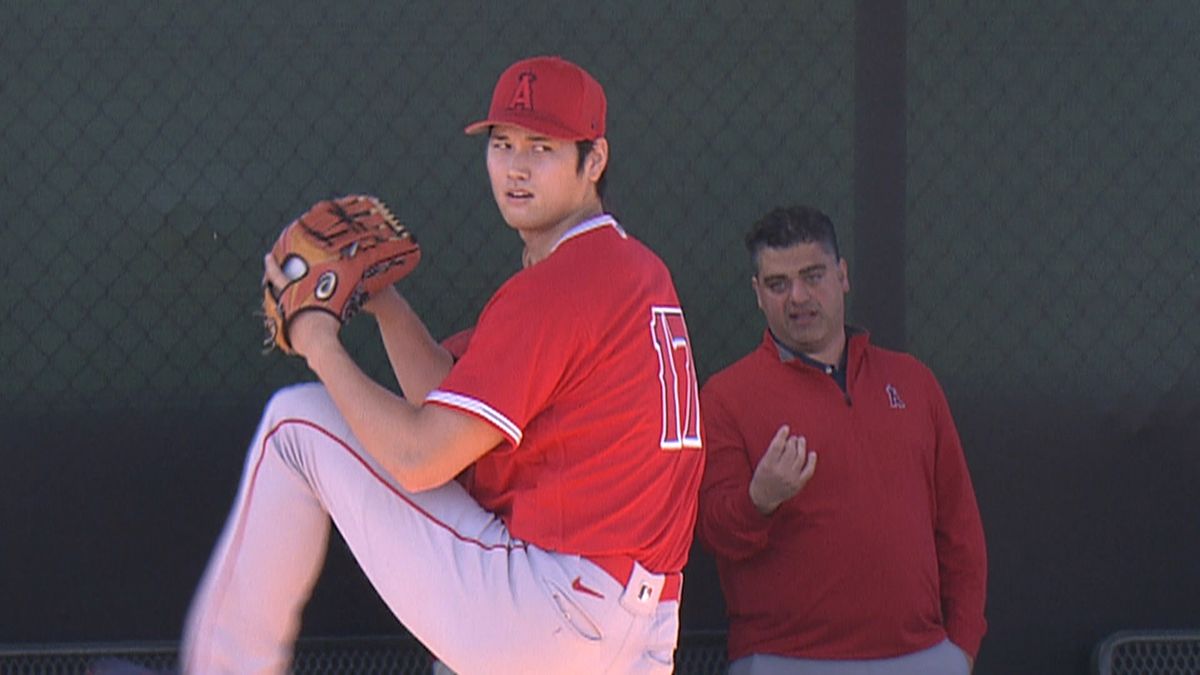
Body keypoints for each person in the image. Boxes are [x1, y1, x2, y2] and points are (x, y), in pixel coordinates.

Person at [180, 55, 705, 675]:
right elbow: (448, 402)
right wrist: (385, 301)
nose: (514, 166)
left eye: (542, 147)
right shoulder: (630, 270)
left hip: (555, 610)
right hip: (636, 630)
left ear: (594, 161)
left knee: (294, 423)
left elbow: (421, 457)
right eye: (502, 143)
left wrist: (318, 341)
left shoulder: (561, 287)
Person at [695, 205, 987, 675]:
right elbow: (713, 532)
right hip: (785, 659)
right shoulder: (726, 397)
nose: (798, 297)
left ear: (842, 275)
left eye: (813, 276)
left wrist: (960, 647)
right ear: (757, 294)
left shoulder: (913, 382)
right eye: (778, 284)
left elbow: (960, 529)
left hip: (922, 656)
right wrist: (759, 501)